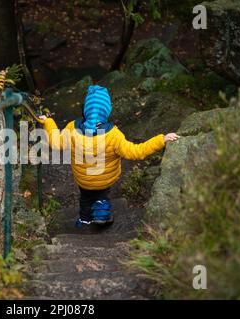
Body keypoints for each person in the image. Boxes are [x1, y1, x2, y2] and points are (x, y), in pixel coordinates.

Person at [39, 85, 180, 228]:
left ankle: (84, 220)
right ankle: (101, 211)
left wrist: (48, 122)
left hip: (83, 179)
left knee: (86, 198)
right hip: (106, 179)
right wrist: (161, 140)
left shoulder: (72, 128)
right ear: (107, 111)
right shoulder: (114, 134)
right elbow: (136, 152)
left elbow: (56, 143)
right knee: (101, 195)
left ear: (85, 109)